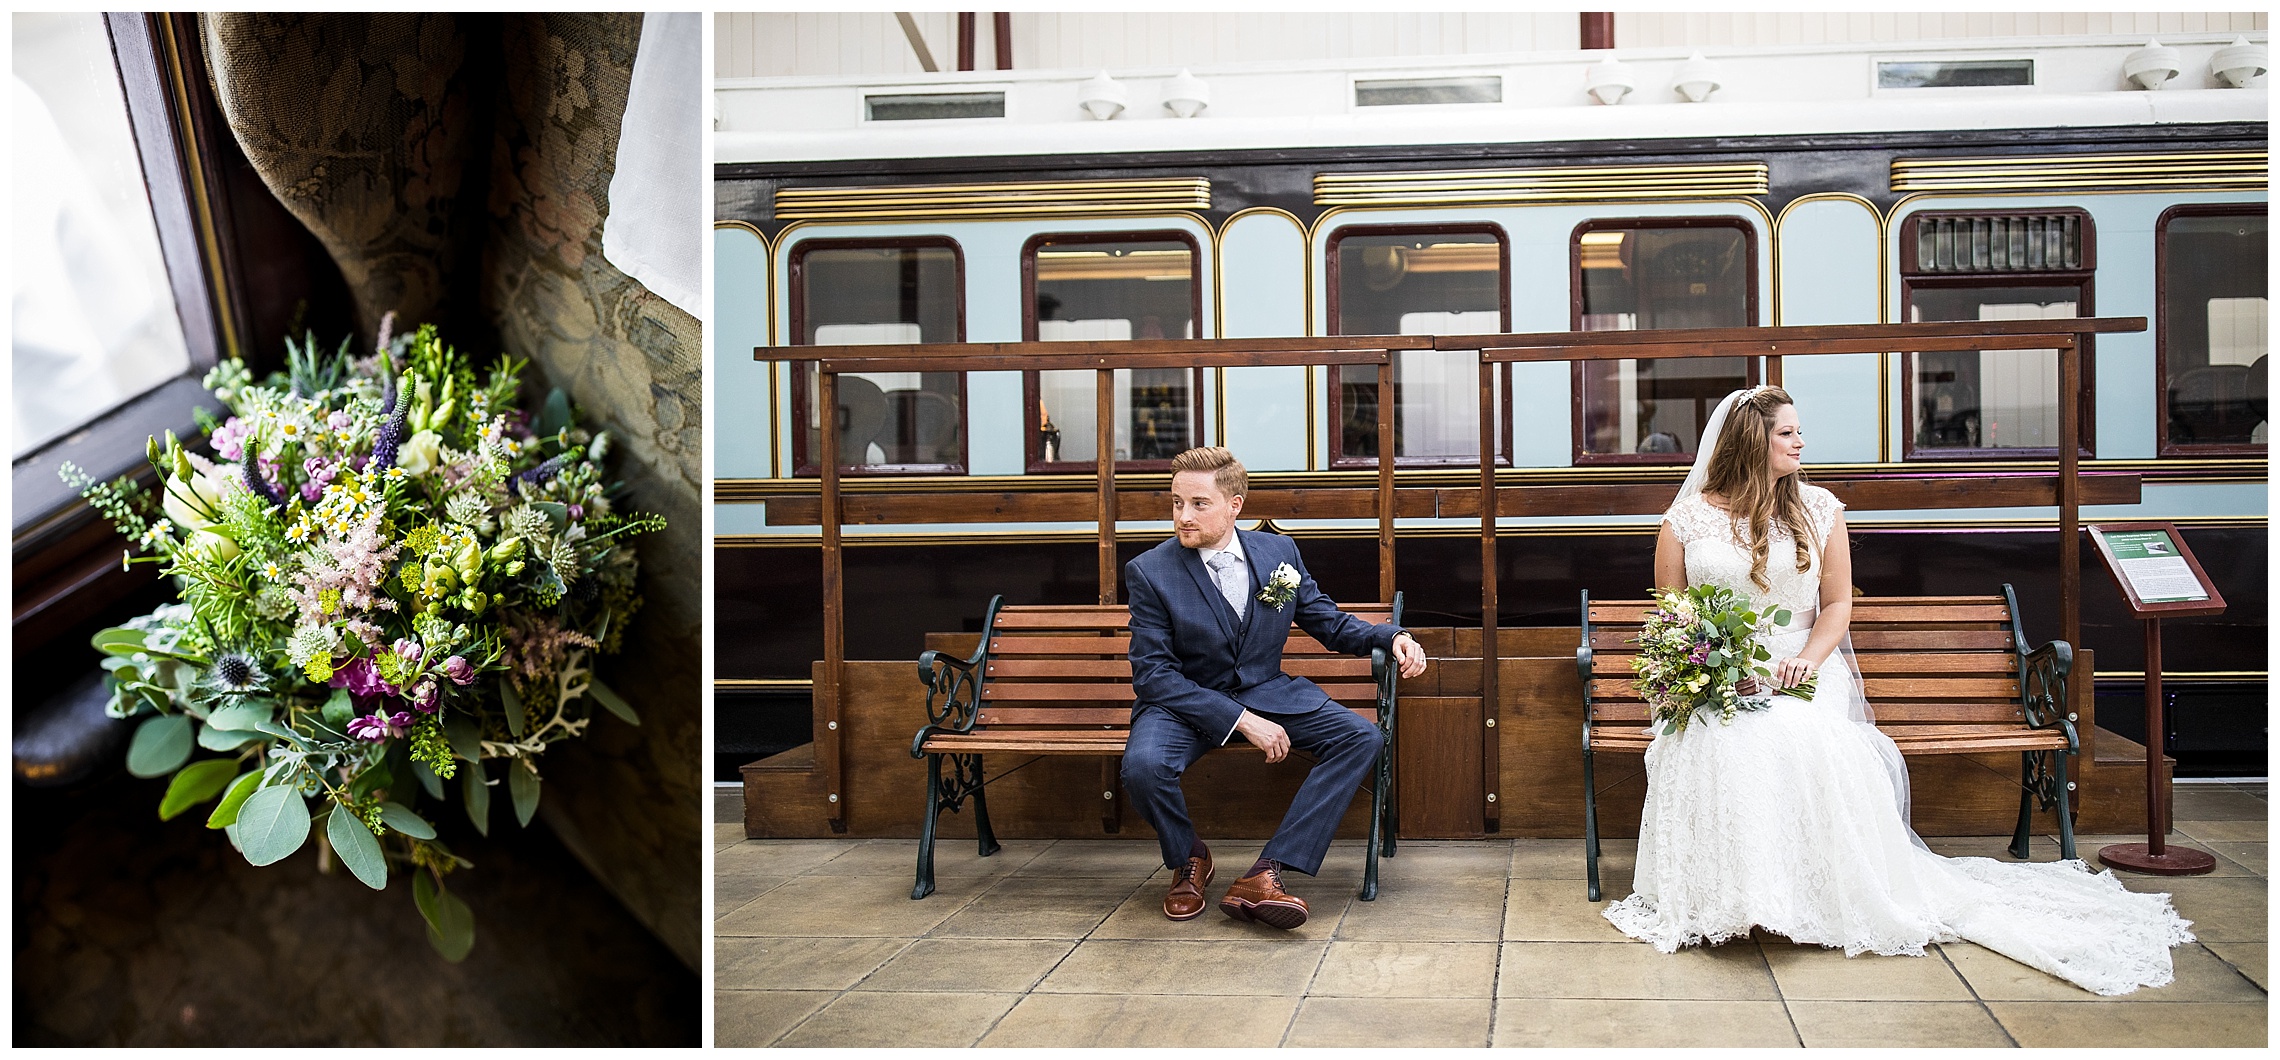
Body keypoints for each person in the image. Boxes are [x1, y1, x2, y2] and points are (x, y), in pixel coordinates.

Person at [1603, 385, 2195, 995]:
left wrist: (1805, 661)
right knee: (1722, 739)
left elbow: (1836, 606)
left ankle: (1805, 894)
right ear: (1754, 439)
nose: (1801, 442)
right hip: (1718, 679)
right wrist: (1716, 669)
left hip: (1805, 671)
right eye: (1787, 432)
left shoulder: (1821, 510)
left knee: (1794, 733)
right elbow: (1670, 617)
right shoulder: (1685, 521)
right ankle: (1727, 898)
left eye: (1799, 431)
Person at [1122, 446, 1429, 929]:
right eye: (1177, 502)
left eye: (1198, 504)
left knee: (1362, 737)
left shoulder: (1277, 554)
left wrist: (1392, 636)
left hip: (1267, 691)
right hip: (1183, 703)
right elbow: (1153, 675)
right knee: (1142, 767)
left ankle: (1267, 872)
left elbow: (1326, 621)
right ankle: (1188, 859)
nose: (1183, 516)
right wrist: (1241, 721)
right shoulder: (1150, 571)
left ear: (1234, 505)